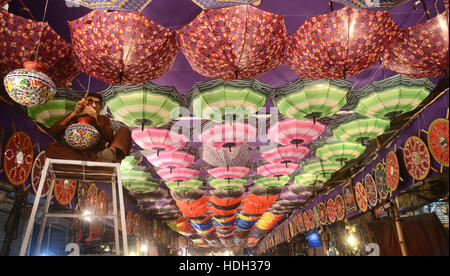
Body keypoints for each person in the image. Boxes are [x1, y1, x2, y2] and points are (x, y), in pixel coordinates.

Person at [45, 92, 131, 162]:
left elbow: (109, 137)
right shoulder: (74, 116)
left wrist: (96, 118)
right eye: (90, 101)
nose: (93, 105)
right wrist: (73, 113)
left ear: (100, 107)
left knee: (125, 130)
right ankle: (97, 160)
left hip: (97, 153)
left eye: (97, 103)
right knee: (51, 147)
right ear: (84, 103)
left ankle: (110, 154)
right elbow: (53, 132)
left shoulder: (103, 119)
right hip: (73, 152)